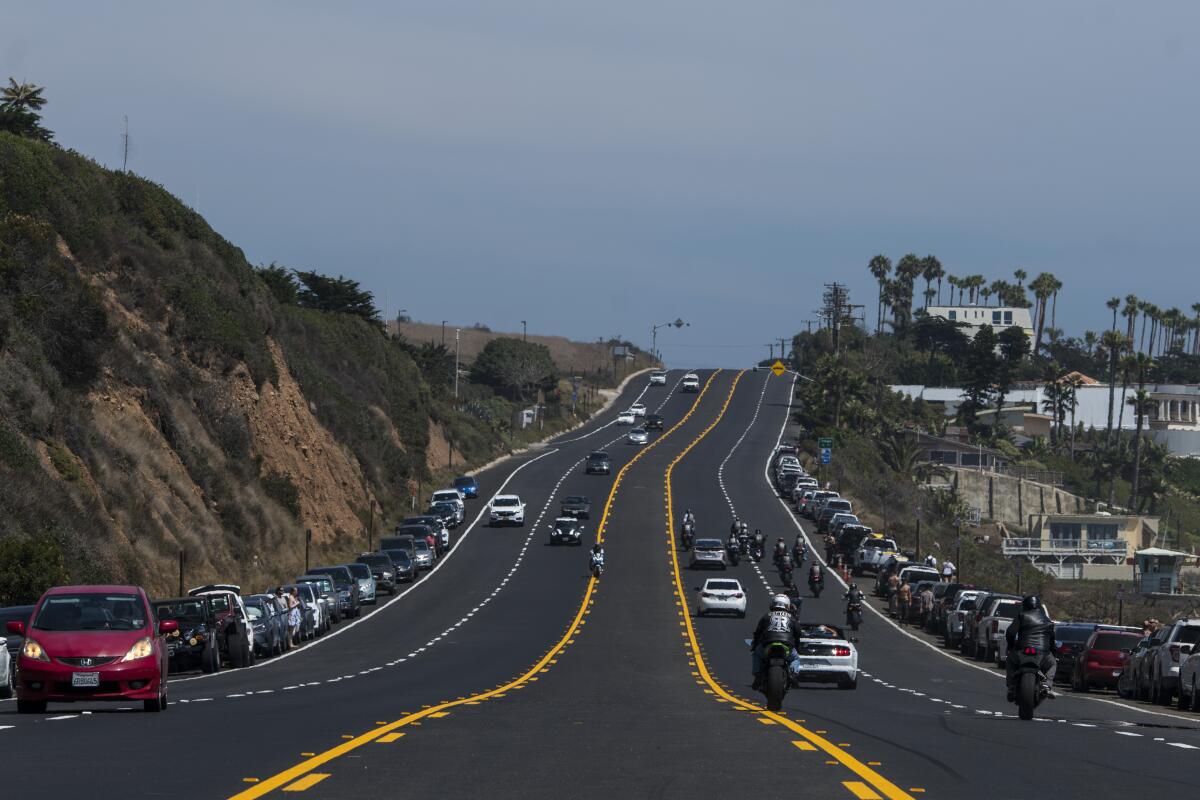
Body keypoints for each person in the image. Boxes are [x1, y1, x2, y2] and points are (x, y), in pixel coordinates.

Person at [1004, 595, 1057, 701]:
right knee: (1053, 663)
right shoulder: (1048, 621)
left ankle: (1011, 685)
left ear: (1025, 605)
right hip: (1042, 653)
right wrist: (1053, 653)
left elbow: (1010, 633)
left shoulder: (1022, 616)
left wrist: (1010, 646)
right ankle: (1047, 685)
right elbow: (1052, 642)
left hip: (1022, 650)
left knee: (1009, 660)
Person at [749, 594, 801, 690]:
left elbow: (758, 632)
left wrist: (754, 645)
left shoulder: (766, 616)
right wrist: (797, 647)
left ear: (773, 604)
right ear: (787, 605)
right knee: (795, 658)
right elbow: (798, 633)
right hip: (786, 644)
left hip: (768, 644)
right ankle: (794, 674)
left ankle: (757, 675)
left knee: (756, 654)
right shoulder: (792, 618)